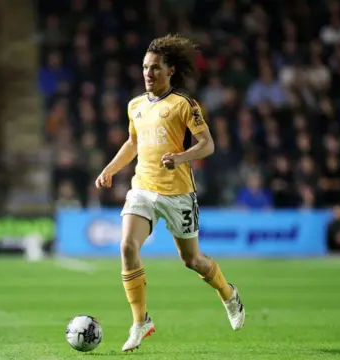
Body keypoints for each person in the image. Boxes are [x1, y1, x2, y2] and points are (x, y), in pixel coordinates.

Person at [95, 34, 245, 352]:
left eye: (155, 68)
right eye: (145, 68)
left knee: (192, 260)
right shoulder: (135, 105)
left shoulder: (183, 105)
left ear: (170, 71)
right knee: (127, 246)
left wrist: (180, 158)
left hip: (178, 194)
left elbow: (208, 144)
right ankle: (140, 322)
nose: (148, 73)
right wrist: (110, 169)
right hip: (143, 189)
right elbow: (133, 143)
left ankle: (228, 294)